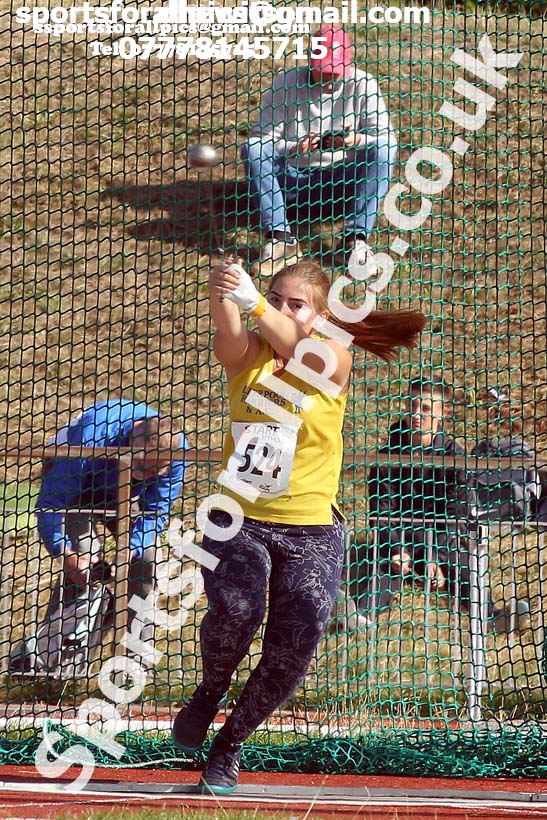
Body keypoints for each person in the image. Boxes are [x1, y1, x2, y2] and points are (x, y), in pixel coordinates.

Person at [172, 258, 426, 794]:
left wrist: (257, 302)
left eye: (297, 304)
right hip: (236, 518)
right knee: (237, 613)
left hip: (311, 527)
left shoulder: (330, 358)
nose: (284, 309)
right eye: (276, 298)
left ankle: (229, 745)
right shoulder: (249, 358)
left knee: (296, 644)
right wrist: (225, 288)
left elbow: (301, 348)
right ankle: (209, 691)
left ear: (319, 315)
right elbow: (227, 331)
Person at [10, 399, 187, 673]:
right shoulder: (92, 437)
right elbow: (51, 504)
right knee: (86, 567)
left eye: (156, 471)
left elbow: (155, 514)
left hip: (125, 496)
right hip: (76, 486)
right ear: (128, 444)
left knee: (146, 561)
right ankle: (51, 664)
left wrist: (128, 551)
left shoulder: (175, 453)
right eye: (145, 468)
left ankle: (134, 664)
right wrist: (65, 553)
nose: (152, 474)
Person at [241, 25, 397, 275]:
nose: (329, 78)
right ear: (310, 60)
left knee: (384, 149)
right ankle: (281, 239)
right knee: (253, 148)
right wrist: (295, 147)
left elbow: (384, 137)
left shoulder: (363, 84)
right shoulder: (286, 83)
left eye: (335, 72)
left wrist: (353, 140)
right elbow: (263, 138)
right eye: (323, 70)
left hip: (342, 184)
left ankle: (353, 240)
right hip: (292, 182)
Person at [363, 378, 513, 628]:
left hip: (442, 539)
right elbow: (381, 511)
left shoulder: (455, 457)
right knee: (384, 565)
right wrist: (397, 548)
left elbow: (457, 516)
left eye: (424, 408)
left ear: (443, 412)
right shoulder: (387, 456)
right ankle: (362, 615)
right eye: (412, 405)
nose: (416, 414)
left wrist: (436, 557)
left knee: (464, 563)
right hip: (402, 536)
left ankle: (490, 617)